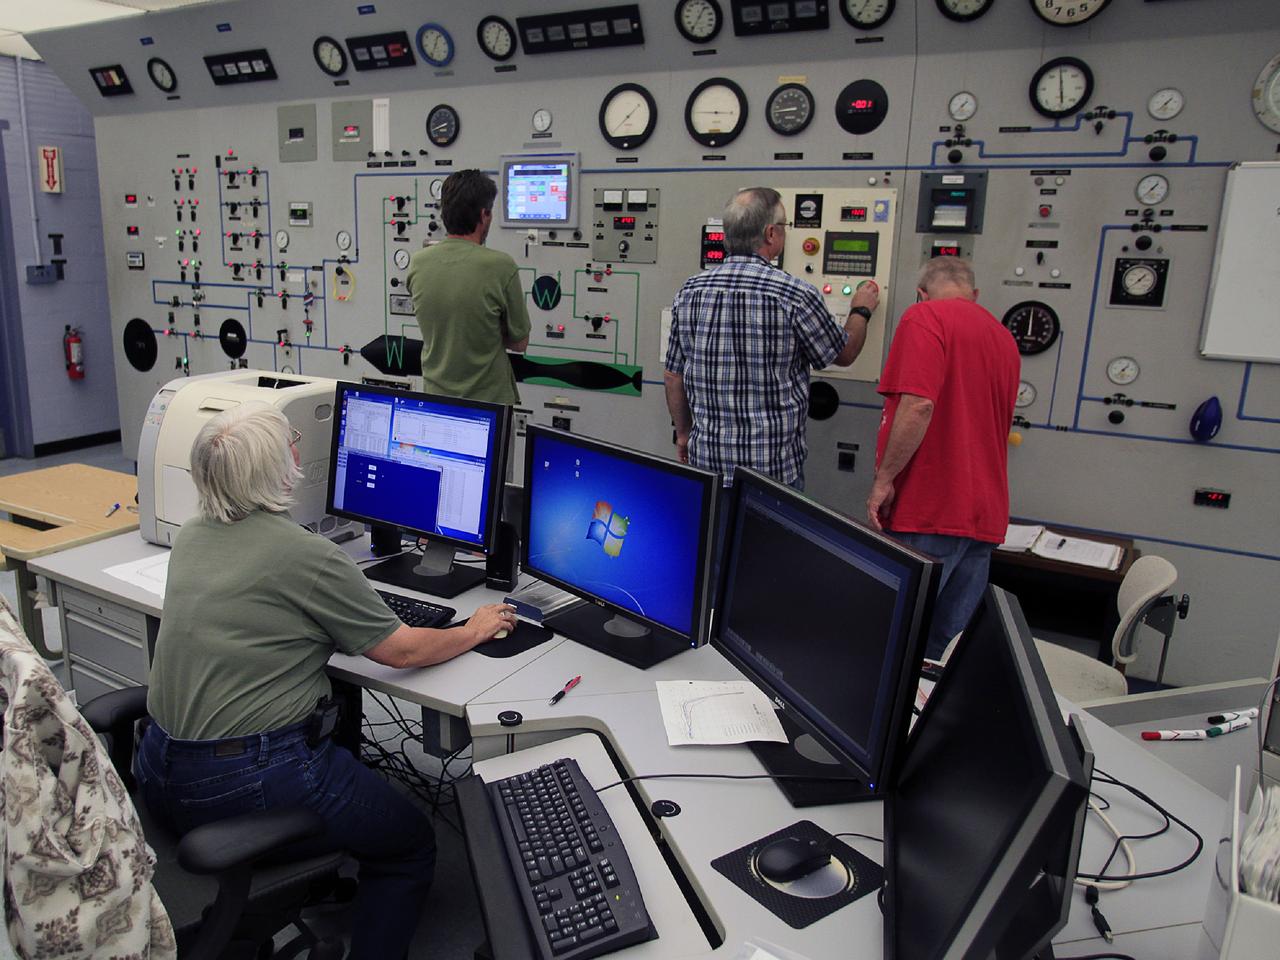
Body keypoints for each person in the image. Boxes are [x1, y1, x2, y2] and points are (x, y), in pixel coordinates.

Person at [139, 403, 515, 960]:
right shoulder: (305, 555)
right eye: (290, 441)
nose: (299, 448)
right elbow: (402, 649)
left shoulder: (193, 535)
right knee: (411, 844)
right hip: (239, 783)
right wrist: (474, 628)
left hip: (154, 769)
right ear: (276, 470)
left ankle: (311, 874)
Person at [664, 186, 879, 490]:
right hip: (772, 476)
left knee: (714, 537)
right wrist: (861, 309)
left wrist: (683, 433)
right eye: (784, 227)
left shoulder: (690, 291)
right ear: (770, 234)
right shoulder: (795, 294)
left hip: (707, 468)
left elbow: (673, 376)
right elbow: (843, 354)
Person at [866, 256, 1020, 660]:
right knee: (945, 651)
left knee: (894, 643)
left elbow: (918, 405)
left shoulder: (923, 318)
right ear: (976, 295)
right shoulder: (1002, 337)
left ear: (920, 293)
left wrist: (884, 480)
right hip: (983, 514)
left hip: (929, 507)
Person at [407, 169, 531, 404]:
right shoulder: (500, 266)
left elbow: (439, 322)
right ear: (484, 215)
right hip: (488, 406)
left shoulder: (418, 263)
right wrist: (490, 328)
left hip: (435, 400)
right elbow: (519, 342)